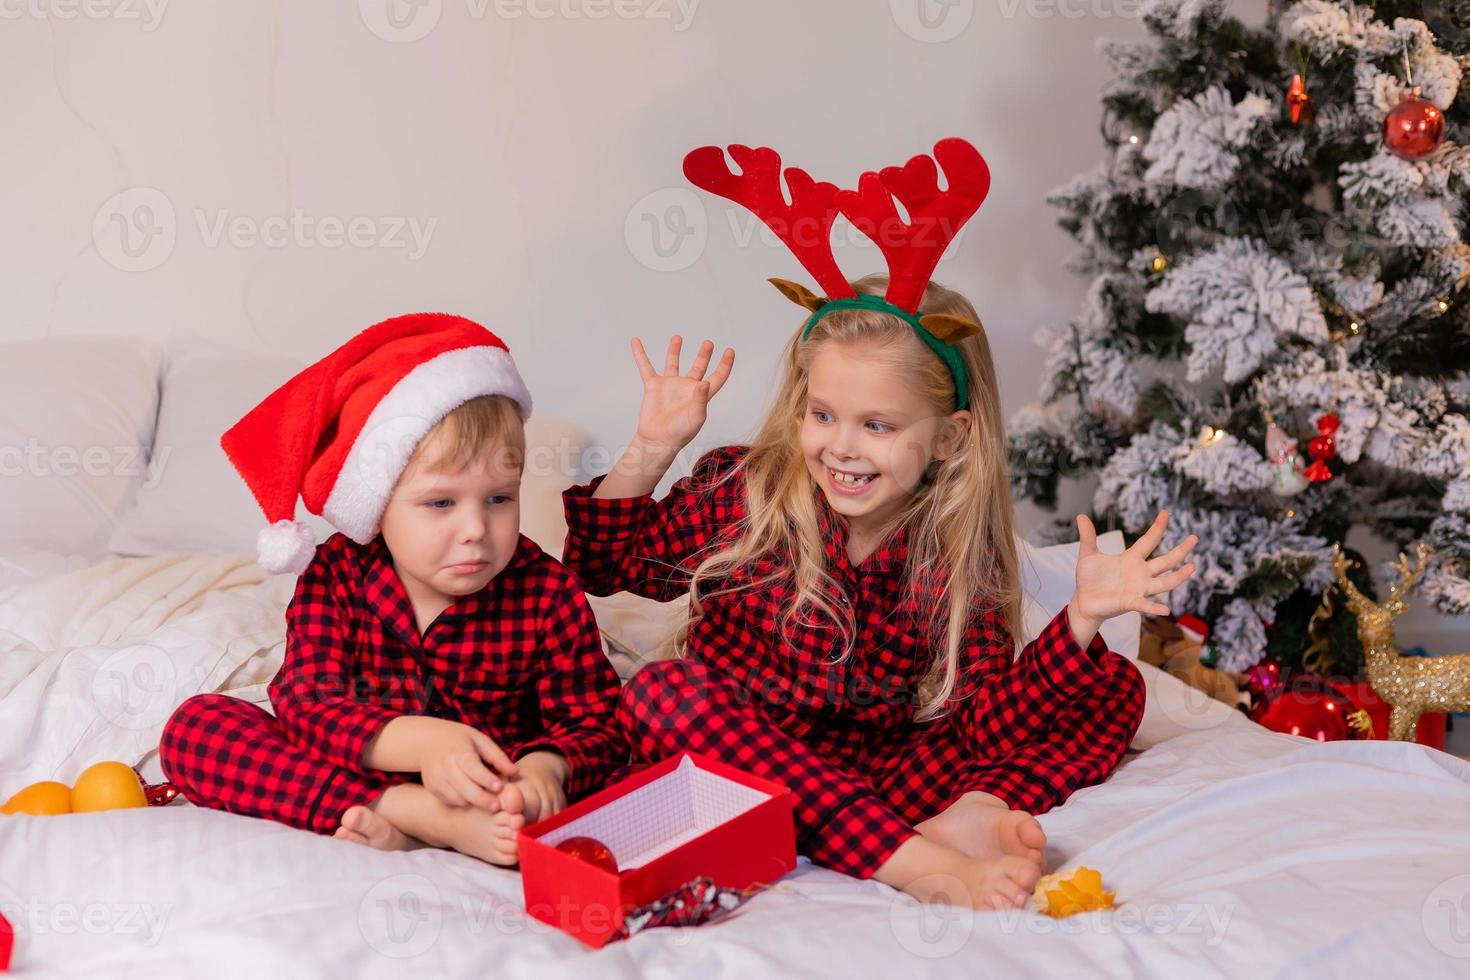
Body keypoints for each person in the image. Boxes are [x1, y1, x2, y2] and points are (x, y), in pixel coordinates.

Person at [160, 313, 625, 865]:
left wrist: (547, 768)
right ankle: (414, 812)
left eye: (498, 498)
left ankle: (421, 821)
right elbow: (307, 704)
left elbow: (596, 722)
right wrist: (424, 743)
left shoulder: (546, 592)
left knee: (638, 751)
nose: (476, 528)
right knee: (197, 729)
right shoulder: (336, 578)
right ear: (377, 507)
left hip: (493, 789)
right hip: (360, 768)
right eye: (441, 503)